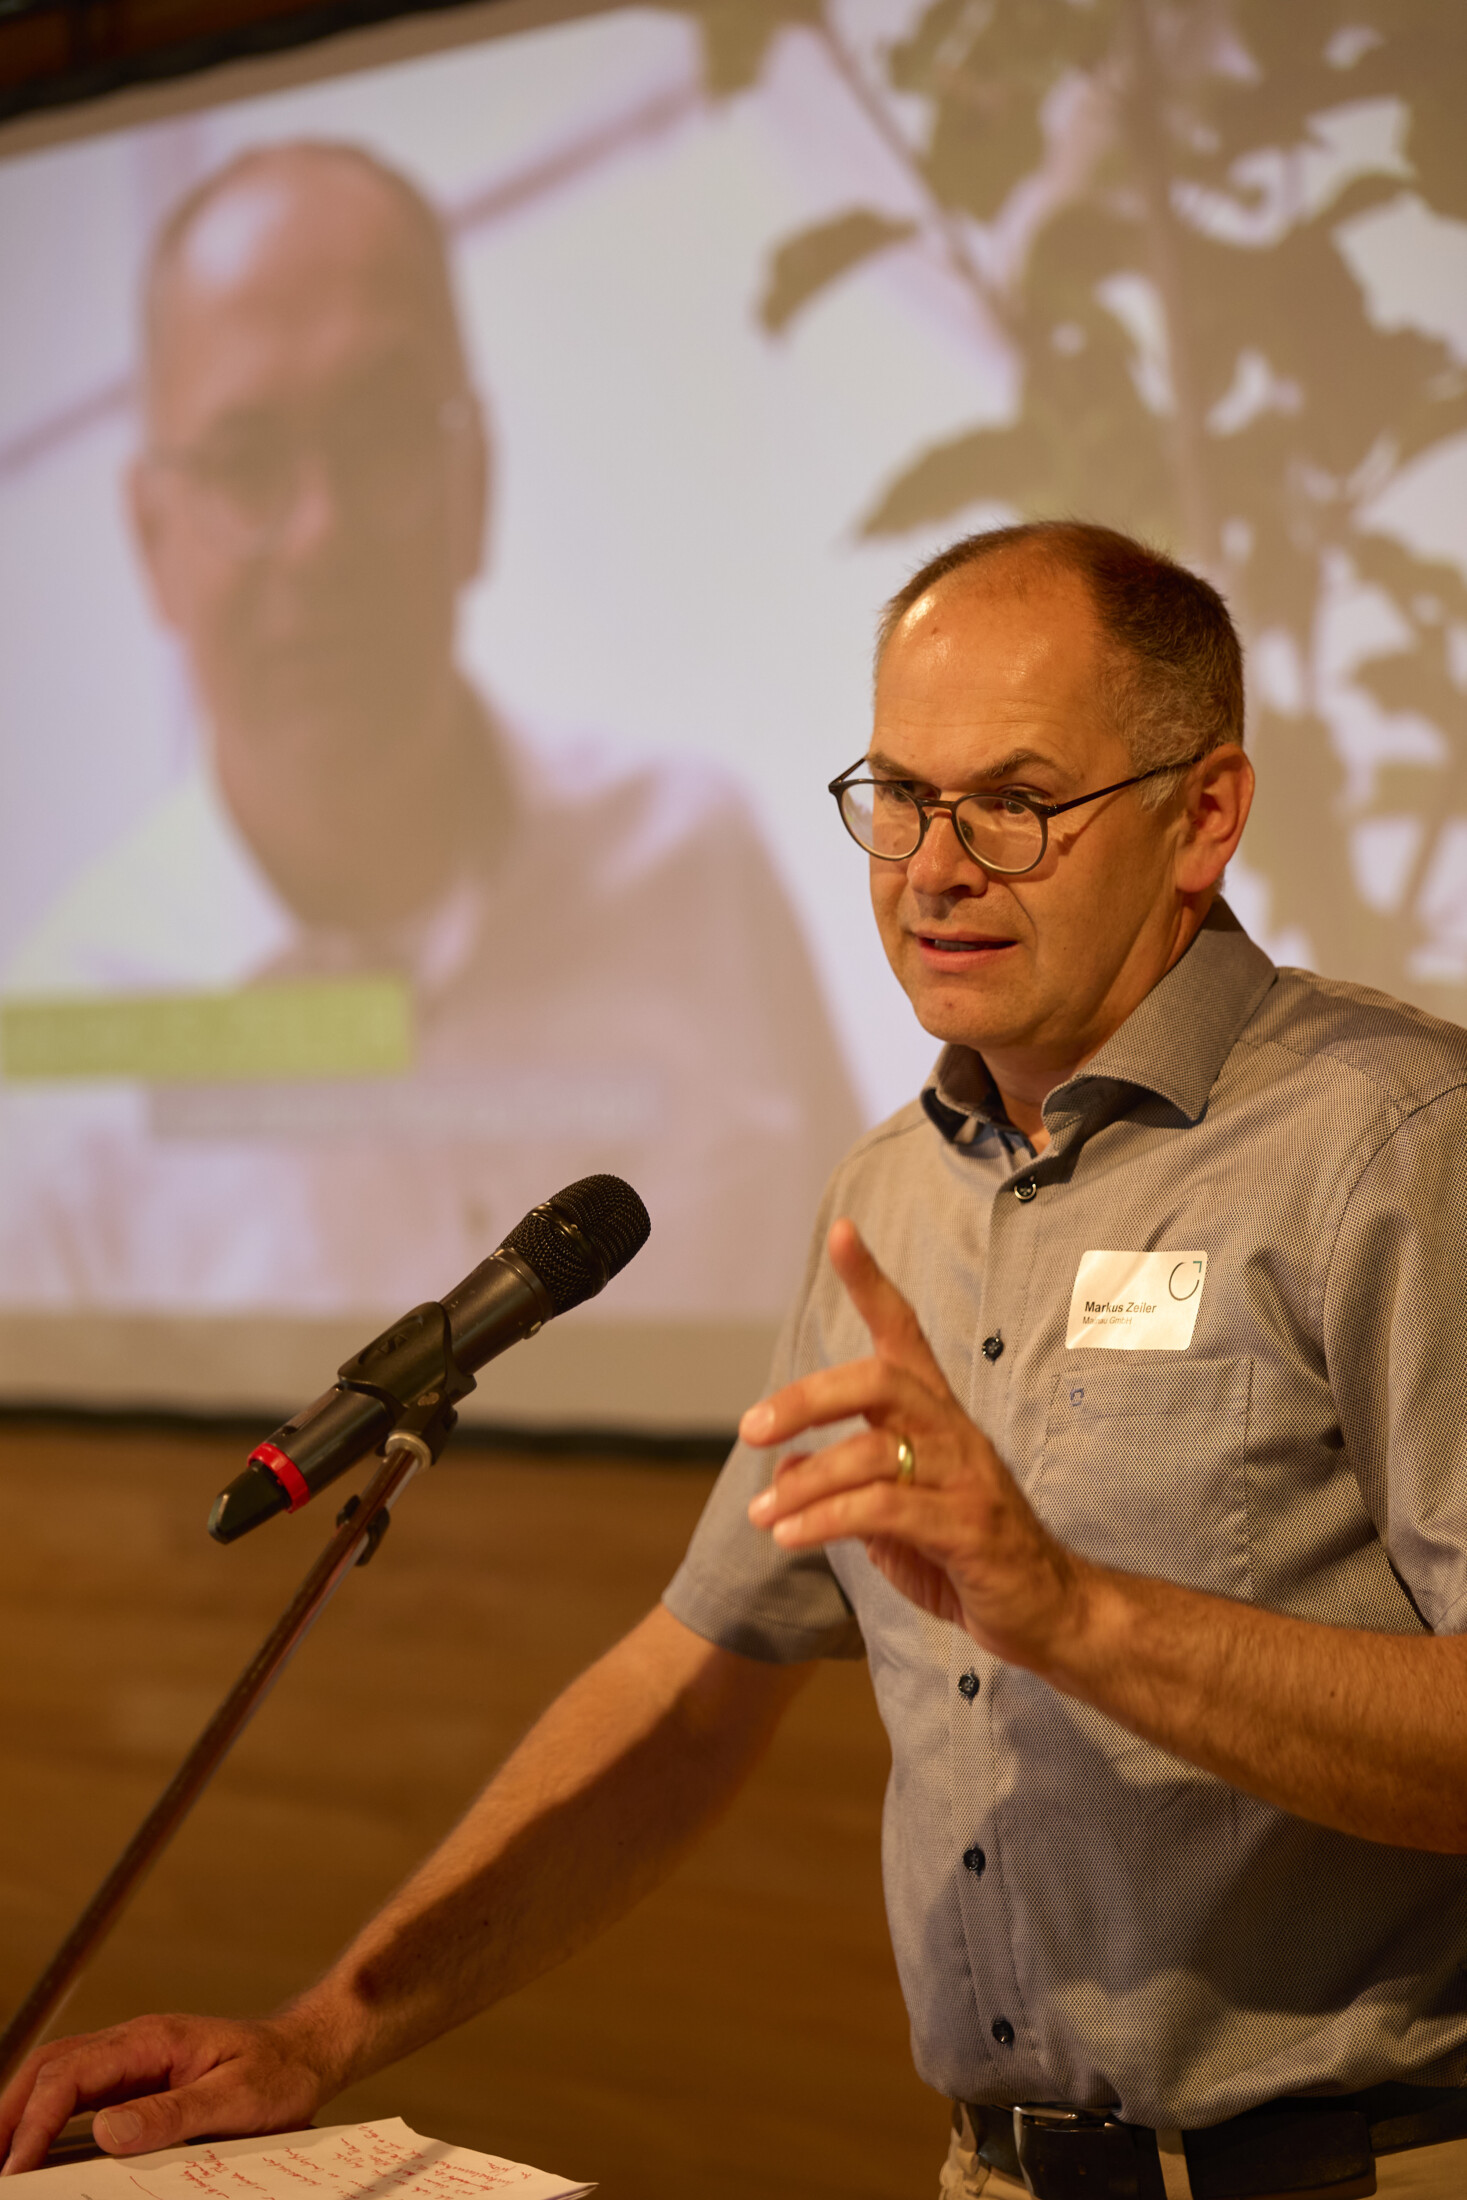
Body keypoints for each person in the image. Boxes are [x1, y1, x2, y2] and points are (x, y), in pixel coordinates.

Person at [7, 520, 1467, 2200]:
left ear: (1201, 815)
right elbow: (691, 1688)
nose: (932, 865)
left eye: (1014, 802)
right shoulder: (886, 1193)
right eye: (897, 796)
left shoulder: (1390, 1148)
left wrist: (1076, 1616)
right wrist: (321, 2035)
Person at [0, 141, 859, 1321]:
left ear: (477, 486)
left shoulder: (699, 861)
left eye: (379, 434)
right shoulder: (56, 1089)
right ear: (154, 539)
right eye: (247, 462)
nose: (319, 533)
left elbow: (859, 1326)